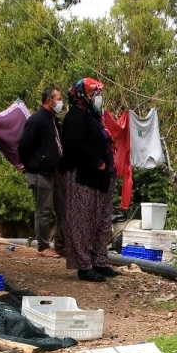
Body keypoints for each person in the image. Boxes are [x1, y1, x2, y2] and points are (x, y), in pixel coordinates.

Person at [60, 78, 118, 283]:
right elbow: (74, 145)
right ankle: (84, 265)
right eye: (95, 94)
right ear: (83, 95)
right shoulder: (75, 116)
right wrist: (96, 161)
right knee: (82, 221)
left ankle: (99, 262)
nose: (99, 98)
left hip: (101, 177)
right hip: (83, 176)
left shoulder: (93, 116)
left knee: (101, 221)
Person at [16, 87, 68, 259]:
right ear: (49, 100)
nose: (61, 102)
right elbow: (24, 145)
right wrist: (31, 163)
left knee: (63, 209)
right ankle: (43, 246)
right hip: (41, 172)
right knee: (44, 210)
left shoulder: (54, 121)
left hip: (55, 171)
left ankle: (61, 245)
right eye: (59, 99)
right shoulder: (37, 120)